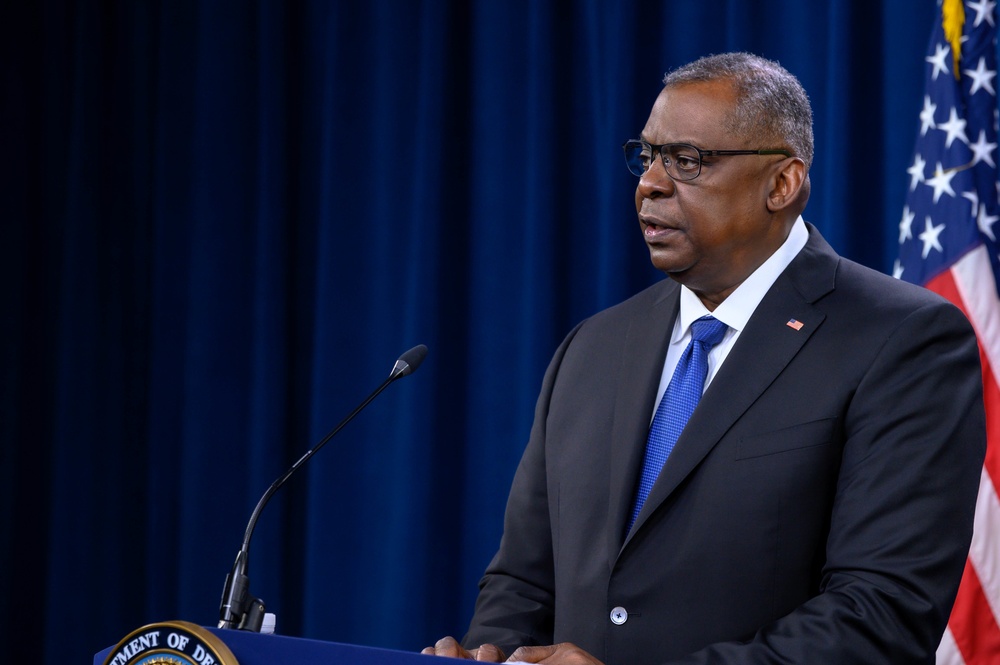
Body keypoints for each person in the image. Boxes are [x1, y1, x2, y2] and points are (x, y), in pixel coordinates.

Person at [422, 52, 986, 664]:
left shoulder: (902, 339)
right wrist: (492, 656)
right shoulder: (592, 348)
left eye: (686, 160)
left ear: (782, 184)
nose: (650, 184)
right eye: (647, 156)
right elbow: (524, 581)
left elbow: (880, 616)